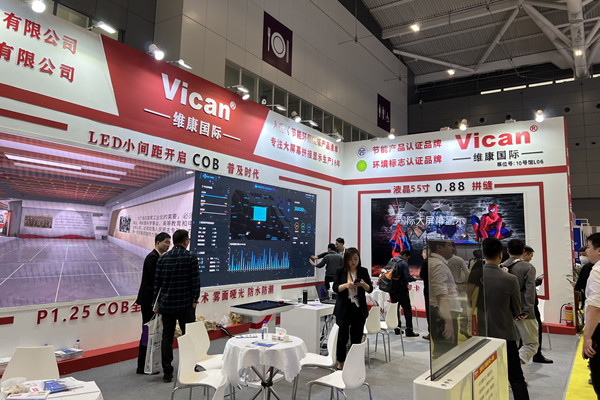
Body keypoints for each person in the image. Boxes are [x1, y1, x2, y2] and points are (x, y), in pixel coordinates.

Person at [481, 237, 530, 400]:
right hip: (504, 334)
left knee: (483, 378)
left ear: (483, 254)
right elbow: (516, 309)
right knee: (515, 376)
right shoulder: (509, 279)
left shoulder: (473, 277)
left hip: (479, 335)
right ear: (501, 255)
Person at [153, 229, 201, 383]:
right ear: (186, 241)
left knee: (167, 337)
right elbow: (195, 281)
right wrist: (194, 299)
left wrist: (156, 304)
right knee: (188, 337)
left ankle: (167, 372)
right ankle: (189, 367)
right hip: (185, 305)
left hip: (166, 305)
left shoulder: (163, 259)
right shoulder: (191, 257)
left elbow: (157, 284)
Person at [135, 232, 171, 374]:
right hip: (148, 302)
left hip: (153, 302)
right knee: (147, 332)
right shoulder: (152, 258)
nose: (168, 245)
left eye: (169, 243)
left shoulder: (159, 257)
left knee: (153, 333)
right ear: (157, 243)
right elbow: (154, 281)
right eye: (166, 242)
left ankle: (149, 364)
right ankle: (141, 365)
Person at [332, 247, 373, 370]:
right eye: (350, 259)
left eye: (355, 259)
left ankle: (355, 362)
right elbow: (335, 288)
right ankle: (341, 362)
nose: (353, 262)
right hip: (344, 308)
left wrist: (363, 284)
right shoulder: (340, 271)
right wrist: (346, 285)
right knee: (342, 337)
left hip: (358, 308)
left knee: (356, 337)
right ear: (346, 260)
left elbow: (370, 289)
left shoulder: (363, 271)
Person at [502, 239, 539, 365]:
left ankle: (510, 368)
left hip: (506, 311)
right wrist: (527, 310)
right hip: (523, 310)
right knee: (532, 344)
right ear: (523, 251)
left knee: (513, 342)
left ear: (507, 250)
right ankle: (514, 366)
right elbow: (530, 291)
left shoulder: (501, 266)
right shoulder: (528, 267)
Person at [427, 240, 460, 359]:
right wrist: (448, 322)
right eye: (449, 245)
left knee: (444, 352)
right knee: (446, 354)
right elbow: (441, 296)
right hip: (443, 314)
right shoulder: (438, 265)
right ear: (439, 247)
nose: (453, 249)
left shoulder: (437, 263)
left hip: (442, 313)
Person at [522, 245, 553, 364]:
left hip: (518, 306)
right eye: (530, 256)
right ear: (524, 253)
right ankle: (535, 354)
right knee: (536, 329)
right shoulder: (527, 268)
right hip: (528, 306)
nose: (531, 258)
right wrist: (538, 281)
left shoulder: (506, 266)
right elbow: (527, 287)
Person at [582, 233, 600, 396]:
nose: (586, 251)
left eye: (588, 247)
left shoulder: (597, 271)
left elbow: (595, 306)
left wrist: (587, 337)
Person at [390, 249, 419, 337]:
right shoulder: (403, 263)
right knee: (407, 309)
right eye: (408, 258)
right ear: (405, 255)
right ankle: (409, 330)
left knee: (395, 309)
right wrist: (414, 279)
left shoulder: (391, 260)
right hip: (401, 289)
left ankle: (397, 329)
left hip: (392, 288)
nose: (407, 260)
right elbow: (407, 277)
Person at [447, 244, 470, 337]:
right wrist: (466, 282)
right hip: (459, 285)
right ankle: (463, 327)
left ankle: (452, 327)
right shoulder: (459, 259)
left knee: (450, 308)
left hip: (448, 287)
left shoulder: (444, 260)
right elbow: (467, 272)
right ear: (455, 251)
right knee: (463, 307)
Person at [466, 249, 485, 336]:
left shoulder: (473, 262)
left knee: (473, 311)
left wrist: (469, 297)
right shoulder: (484, 264)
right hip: (479, 290)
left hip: (476, 291)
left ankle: (471, 330)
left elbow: (471, 284)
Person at [419, 248, 430, 340]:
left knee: (429, 312)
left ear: (425, 253)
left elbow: (422, 275)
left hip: (428, 289)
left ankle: (431, 333)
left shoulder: (425, 262)